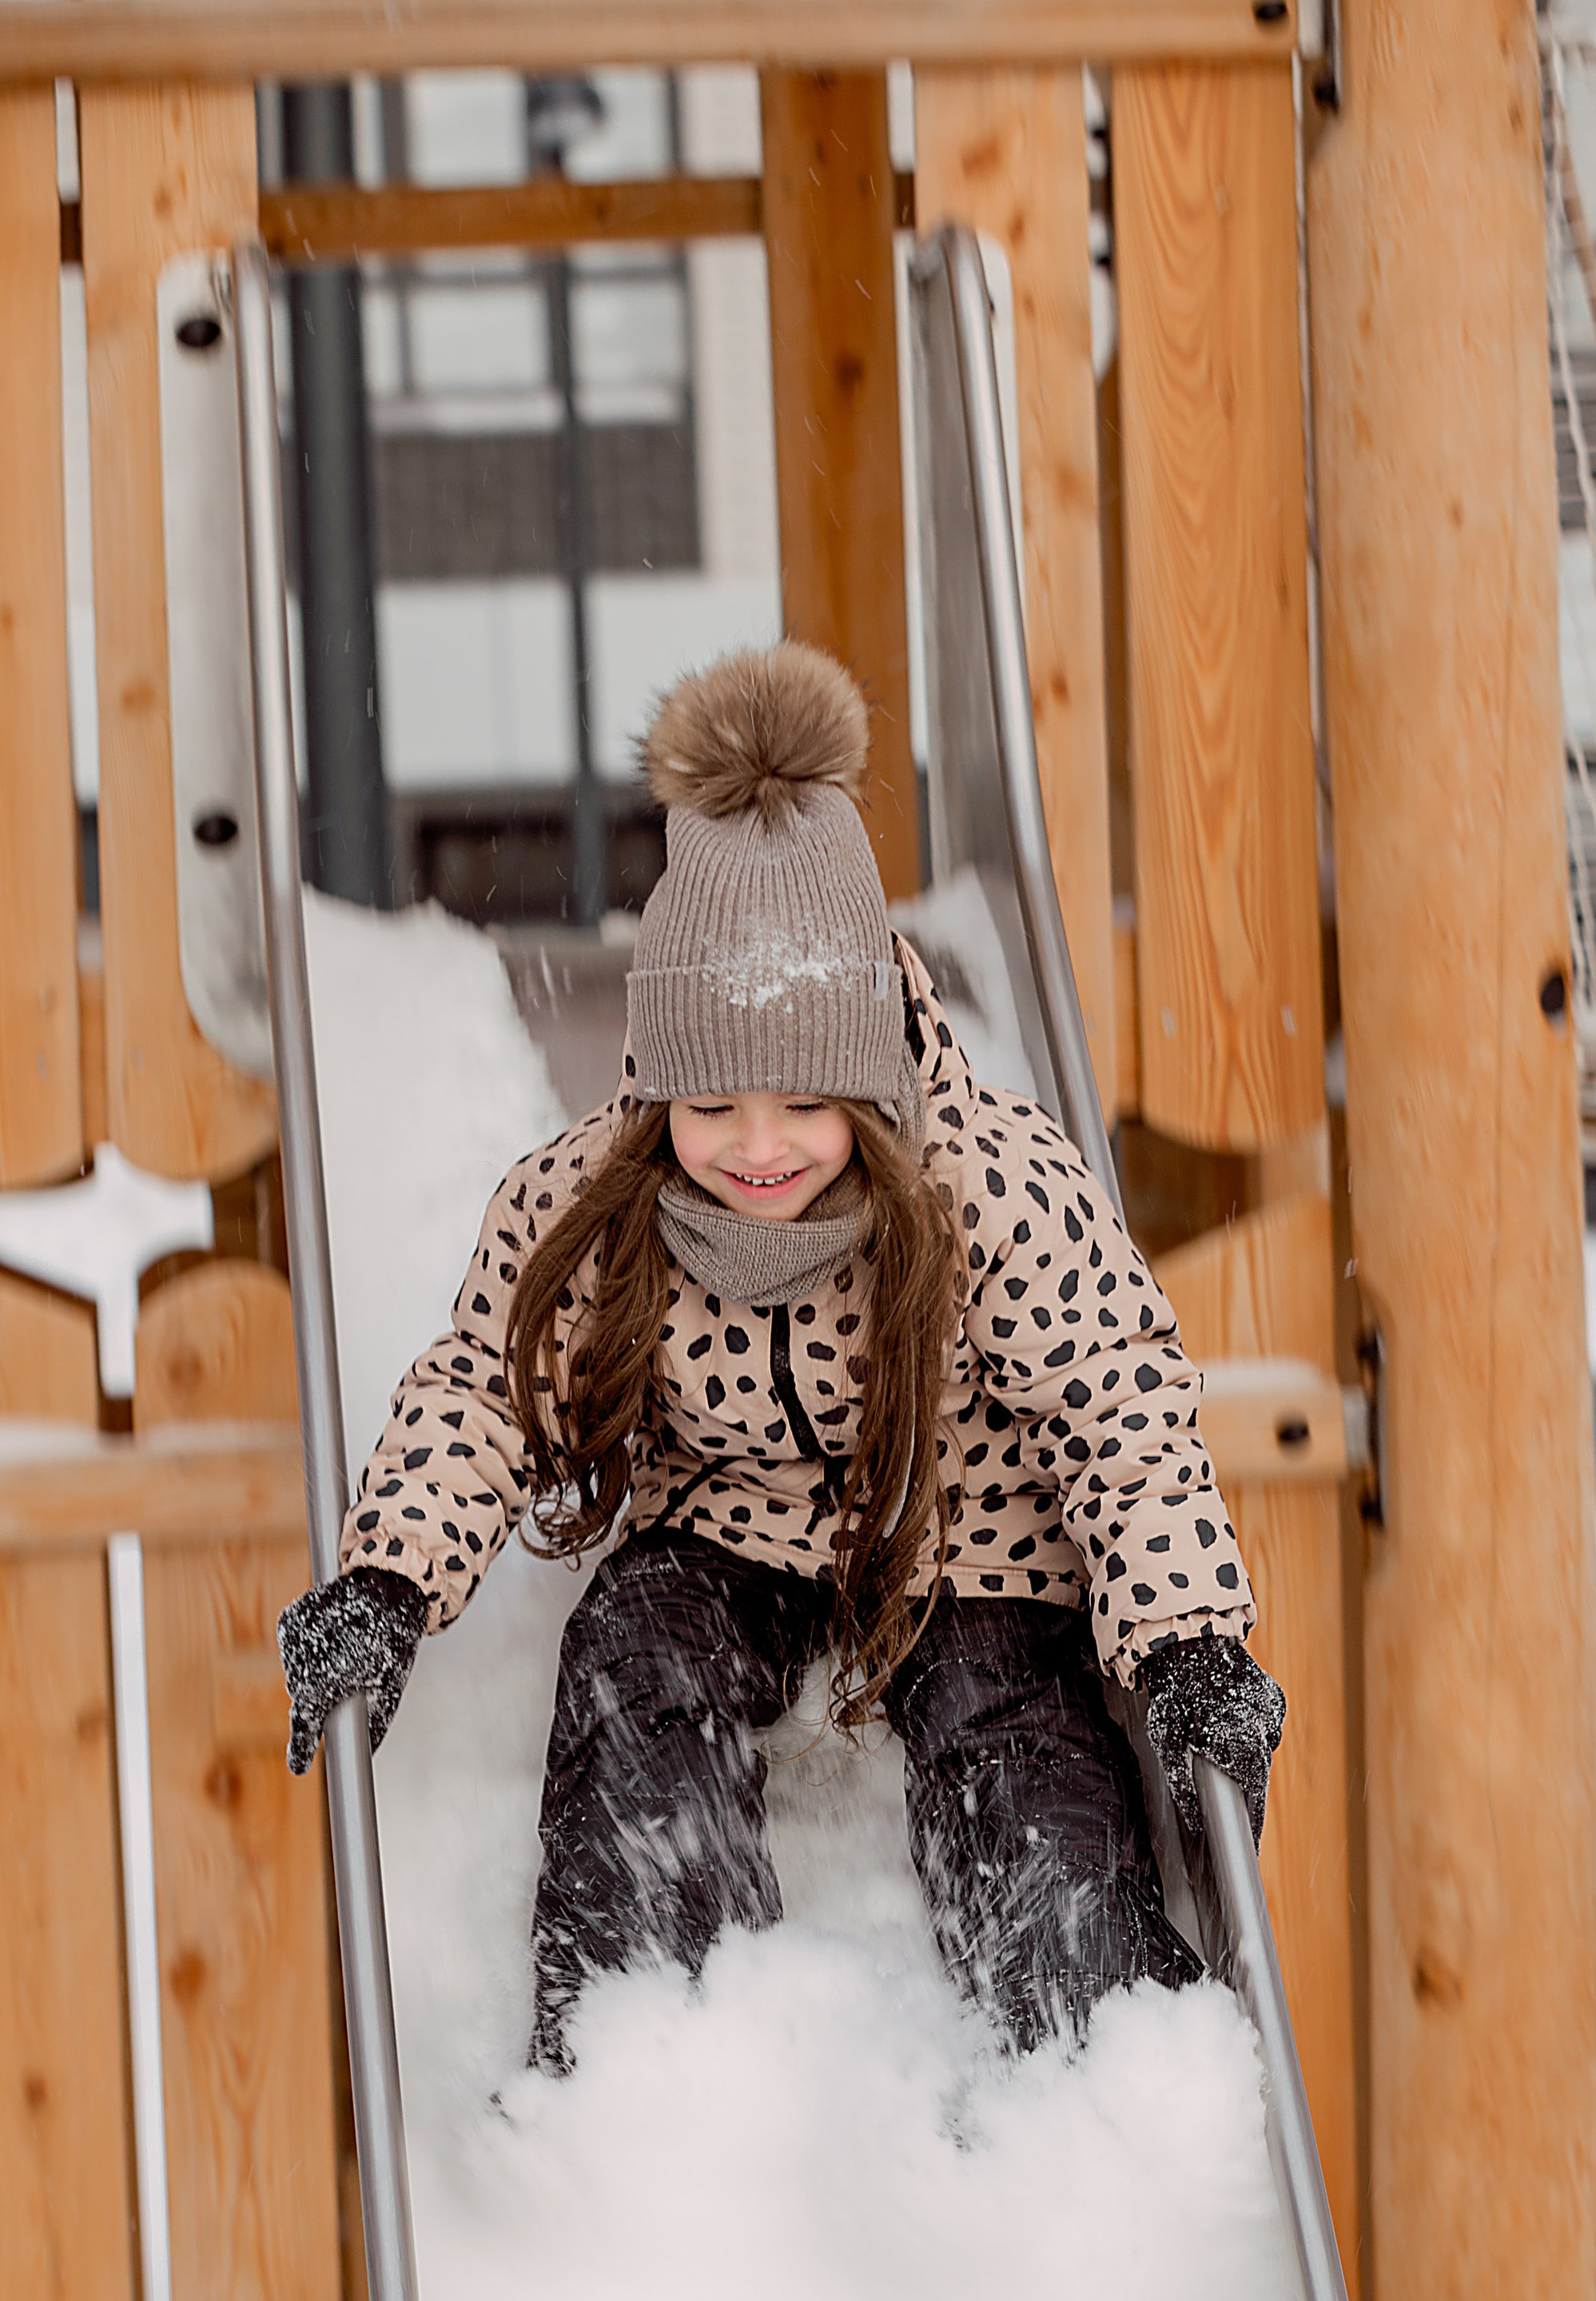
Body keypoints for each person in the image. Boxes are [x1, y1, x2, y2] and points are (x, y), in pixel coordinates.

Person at [277, 641, 1283, 2066]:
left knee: (1015, 1741)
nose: (759, 1148)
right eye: (714, 1103)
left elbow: (1121, 1404)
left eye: (810, 1100)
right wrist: (386, 1582)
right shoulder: (597, 1206)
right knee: (635, 1657)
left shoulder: (987, 1185)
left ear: (874, 1084)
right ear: (654, 1084)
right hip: (728, 1541)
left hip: (967, 1543)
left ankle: (1091, 2045)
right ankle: (651, 2039)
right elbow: (483, 1393)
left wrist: (1188, 1643)